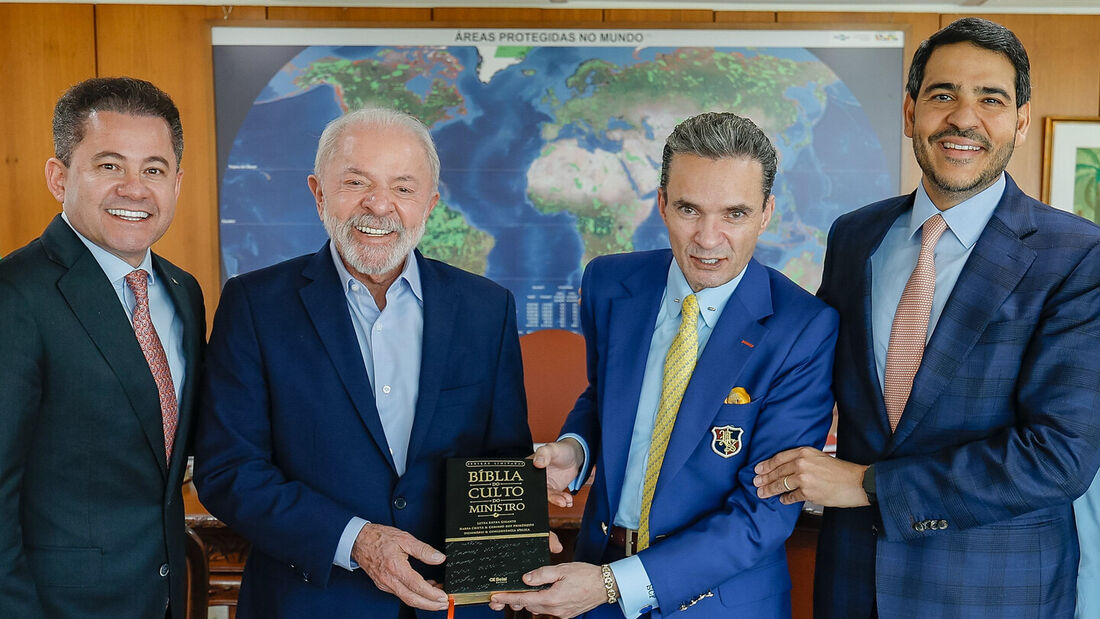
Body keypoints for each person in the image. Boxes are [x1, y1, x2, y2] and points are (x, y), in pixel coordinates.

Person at [753, 17, 1100, 618]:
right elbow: (802, 365)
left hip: (994, 593)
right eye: (943, 95)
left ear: (1020, 121)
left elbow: (1059, 456)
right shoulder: (854, 236)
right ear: (911, 111)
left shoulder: (1076, 256)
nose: (964, 119)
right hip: (852, 583)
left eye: (991, 99)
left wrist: (867, 485)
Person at [490, 112, 838, 618]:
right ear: (661, 203)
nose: (708, 238)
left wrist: (612, 584)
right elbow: (605, 395)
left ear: (766, 213)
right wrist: (576, 449)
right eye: (689, 209)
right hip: (593, 578)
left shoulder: (804, 328)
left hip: (719, 604)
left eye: (735, 214)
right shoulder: (609, 284)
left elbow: (762, 513)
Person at [193, 107, 533, 618]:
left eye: (403, 187)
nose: (379, 204)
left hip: (451, 604)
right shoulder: (255, 305)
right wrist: (357, 540)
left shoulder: (487, 308)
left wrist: (520, 535)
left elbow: (504, 461)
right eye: (356, 183)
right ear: (319, 194)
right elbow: (229, 470)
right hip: (309, 604)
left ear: (429, 204)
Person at [0, 77, 205, 618]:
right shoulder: (14, 296)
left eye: (153, 170)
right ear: (59, 176)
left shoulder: (184, 293)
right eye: (110, 165)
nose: (134, 190)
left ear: (177, 183)